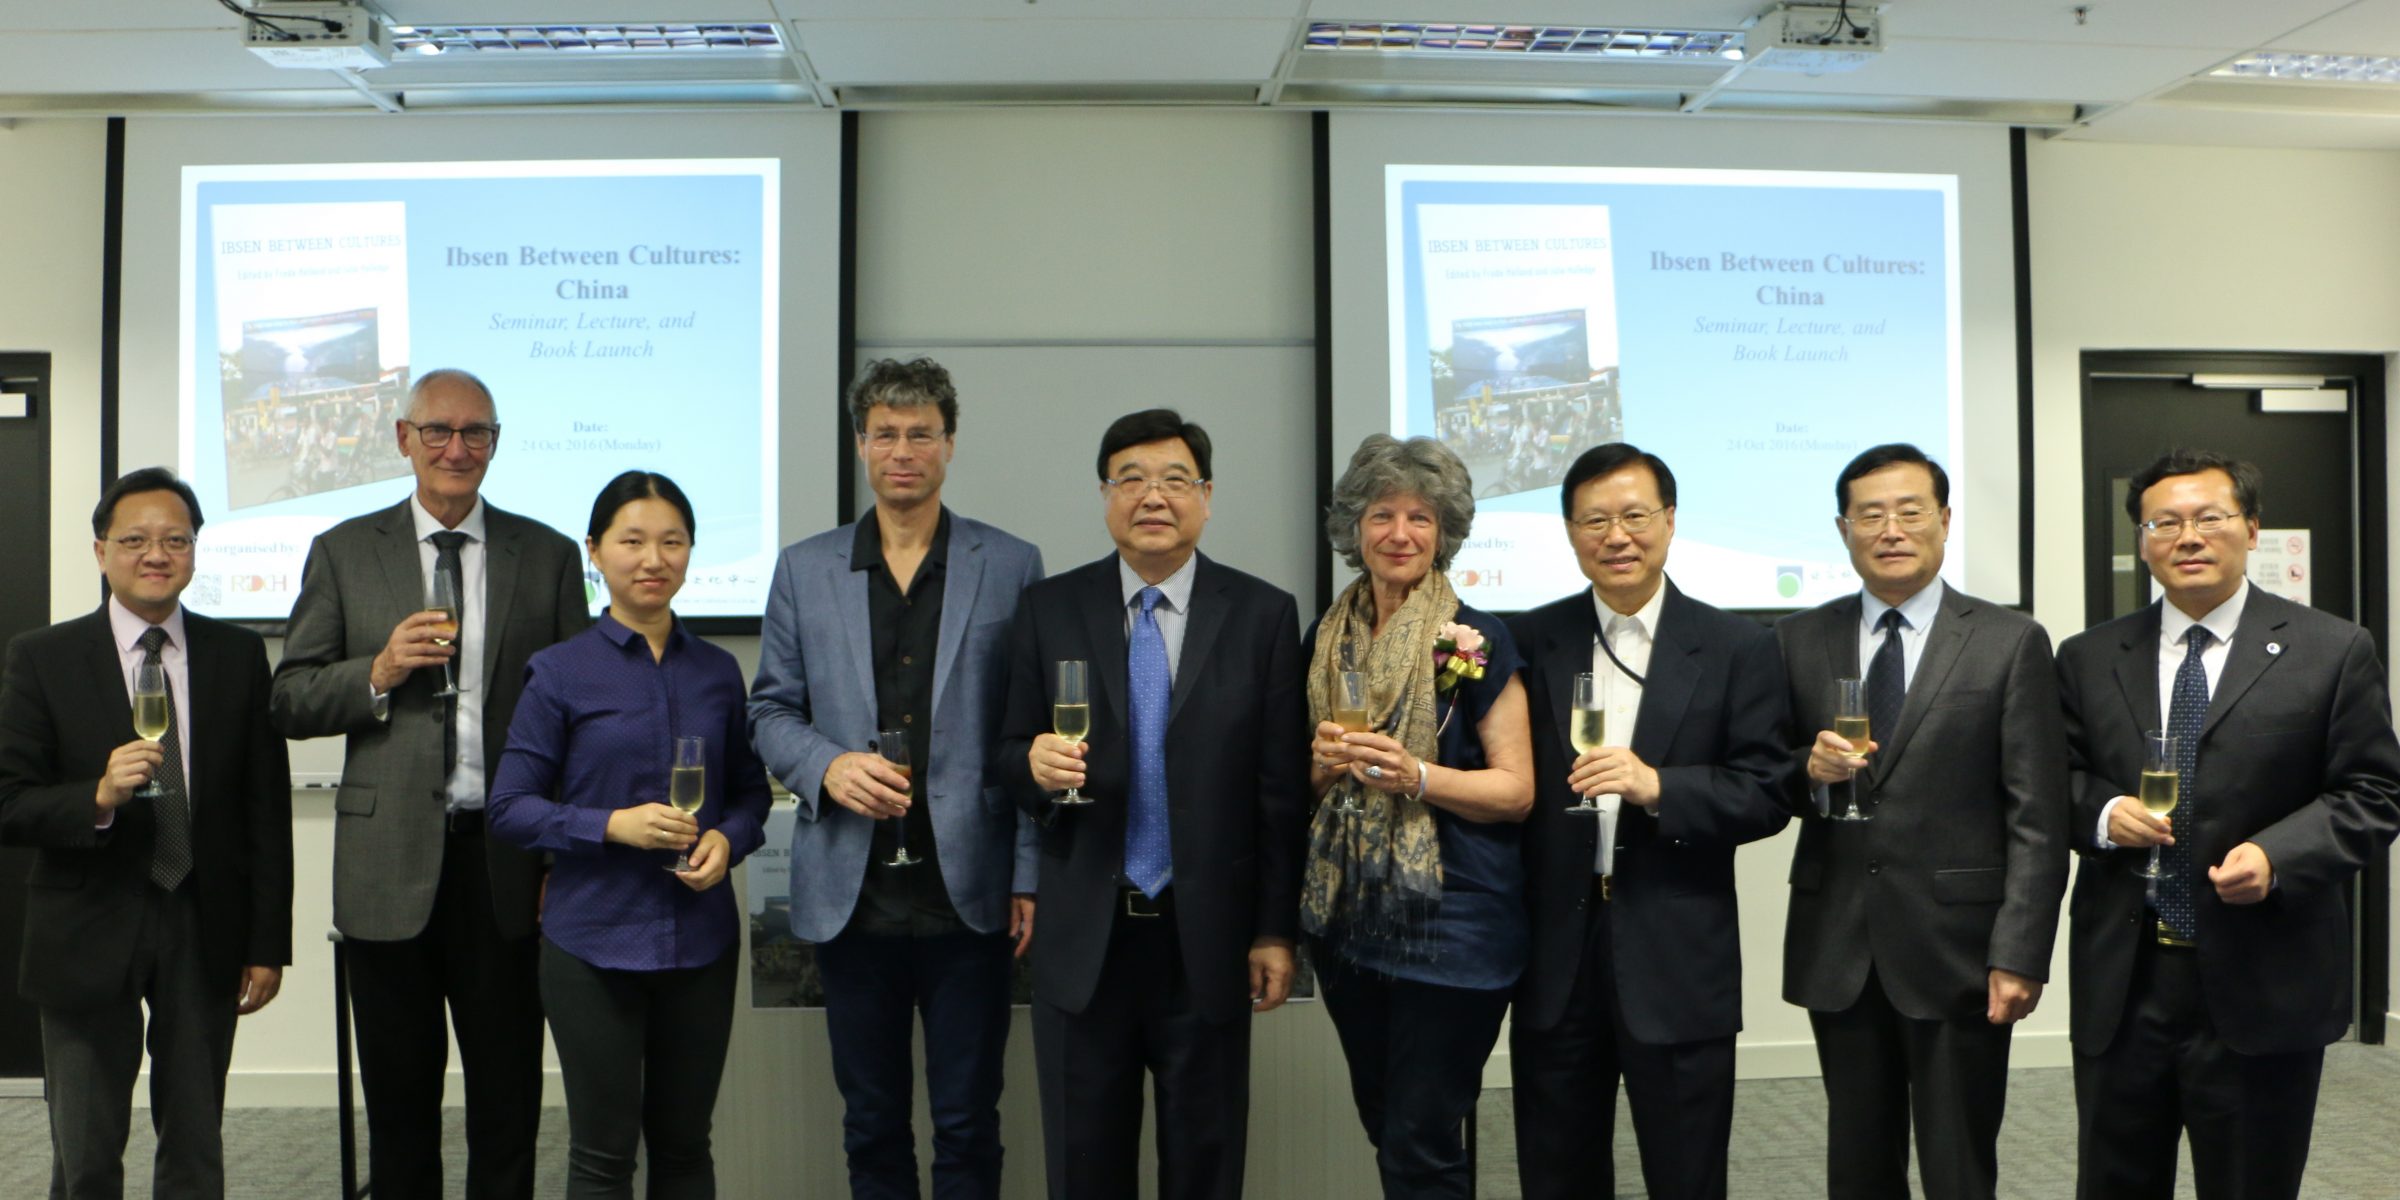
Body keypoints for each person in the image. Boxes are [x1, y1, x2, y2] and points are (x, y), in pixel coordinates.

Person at [271, 368, 590, 1199]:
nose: (456, 448)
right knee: (400, 1105)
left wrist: (559, 859)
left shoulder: (547, 554)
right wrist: (376, 671)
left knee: (508, 1099)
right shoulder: (345, 550)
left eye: (475, 432)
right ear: (403, 439)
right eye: (438, 431)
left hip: (506, 863)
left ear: (495, 444)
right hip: (385, 867)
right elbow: (290, 699)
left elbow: (582, 722)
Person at [2059, 448, 2400, 1200]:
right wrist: (2105, 814)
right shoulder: (2087, 657)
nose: (2188, 537)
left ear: (2250, 528)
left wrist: (2278, 858)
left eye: (2209, 518)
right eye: (2164, 523)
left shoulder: (2332, 649)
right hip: (2127, 978)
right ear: (2142, 541)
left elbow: (2374, 793)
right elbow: (2059, 780)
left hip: (2264, 975)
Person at [994, 409, 1308, 1200]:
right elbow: (1003, 754)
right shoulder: (1049, 608)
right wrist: (1031, 763)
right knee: (1084, 1170)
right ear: (1105, 497)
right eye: (1129, 479)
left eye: (1174, 480)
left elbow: (1280, 791)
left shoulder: (1264, 614)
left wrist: (1274, 930)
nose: (1152, 497)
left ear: (1207, 496)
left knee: (1205, 1170)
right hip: (1085, 938)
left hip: (1209, 938)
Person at [749, 358, 1043, 1199]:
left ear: (949, 444)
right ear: (860, 445)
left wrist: (1028, 873)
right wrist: (828, 765)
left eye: (921, 434)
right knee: (872, 1123)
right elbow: (769, 711)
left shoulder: (1010, 563)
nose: (903, 451)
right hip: (855, 894)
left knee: (968, 1122)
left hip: (971, 891)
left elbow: (1028, 734)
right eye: (886, 434)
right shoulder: (804, 569)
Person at [1774, 444, 2069, 1200]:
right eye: (1870, 514)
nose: (1891, 530)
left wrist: (2021, 952)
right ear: (1843, 529)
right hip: (1839, 942)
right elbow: (1766, 776)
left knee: (1958, 1166)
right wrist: (1806, 770)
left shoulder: (2009, 640)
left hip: (1959, 948)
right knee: (1858, 1167)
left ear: (1944, 520)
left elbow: (2038, 814)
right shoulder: (1797, 639)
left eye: (1910, 512)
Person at [1506, 443, 1793, 1200]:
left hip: (1678, 954)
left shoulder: (1738, 646)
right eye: (1594, 521)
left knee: (1686, 1174)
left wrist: (1658, 786)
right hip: (1555, 955)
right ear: (1570, 532)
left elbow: (1767, 793)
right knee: (1555, 1174)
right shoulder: (1529, 639)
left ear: (1669, 521)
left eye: (1634, 516)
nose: (1616, 536)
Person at [0, 468, 292, 1199]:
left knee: (196, 1142)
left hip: (204, 918)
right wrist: (96, 796)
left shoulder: (237, 656)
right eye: (135, 540)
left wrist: (267, 941)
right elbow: (9, 801)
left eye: (176, 540)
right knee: (86, 1152)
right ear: (101, 551)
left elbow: (265, 808)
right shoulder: (42, 656)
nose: (156, 554)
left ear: (195, 551)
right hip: (86, 919)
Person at [489, 471, 769, 1198]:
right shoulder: (559, 672)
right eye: (633, 541)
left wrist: (729, 840)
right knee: (603, 1157)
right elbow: (509, 807)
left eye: (672, 542)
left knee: (685, 1148)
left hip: (701, 941)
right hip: (592, 943)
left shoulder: (718, 671)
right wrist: (611, 826)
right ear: (594, 551)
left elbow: (749, 795)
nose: (653, 559)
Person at [1302, 435, 1533, 1199]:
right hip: (1348, 922)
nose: (1399, 533)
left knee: (1421, 1141)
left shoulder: (1476, 638)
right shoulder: (1324, 639)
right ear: (1354, 527)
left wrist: (1419, 776)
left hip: (1454, 926)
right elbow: (1293, 787)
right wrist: (1321, 765)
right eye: (1382, 514)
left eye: (1420, 518)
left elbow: (1515, 790)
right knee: (1387, 1126)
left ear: (1445, 533)